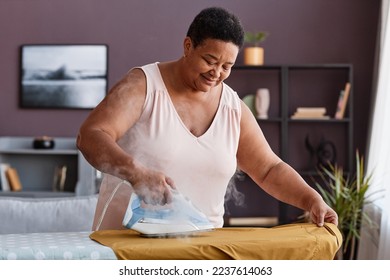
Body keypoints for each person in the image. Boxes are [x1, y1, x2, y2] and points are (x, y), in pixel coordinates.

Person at [77, 6, 338, 231]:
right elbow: (90, 136)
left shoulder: (232, 108)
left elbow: (269, 170)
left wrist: (311, 199)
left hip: (201, 250)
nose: (217, 73)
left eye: (227, 66)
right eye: (210, 60)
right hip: (127, 246)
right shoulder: (143, 86)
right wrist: (136, 173)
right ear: (188, 46)